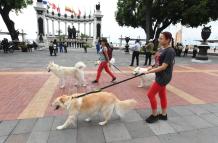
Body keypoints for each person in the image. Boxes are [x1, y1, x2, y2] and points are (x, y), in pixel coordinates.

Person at [144, 31, 176, 123]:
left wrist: (150, 71)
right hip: (161, 75)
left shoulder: (170, 51)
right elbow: (158, 63)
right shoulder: (162, 49)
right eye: (159, 38)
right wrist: (152, 66)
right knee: (162, 95)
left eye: (161, 38)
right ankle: (164, 114)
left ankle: (154, 115)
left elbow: (163, 66)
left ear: (168, 40)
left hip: (164, 77)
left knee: (150, 94)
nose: (159, 39)